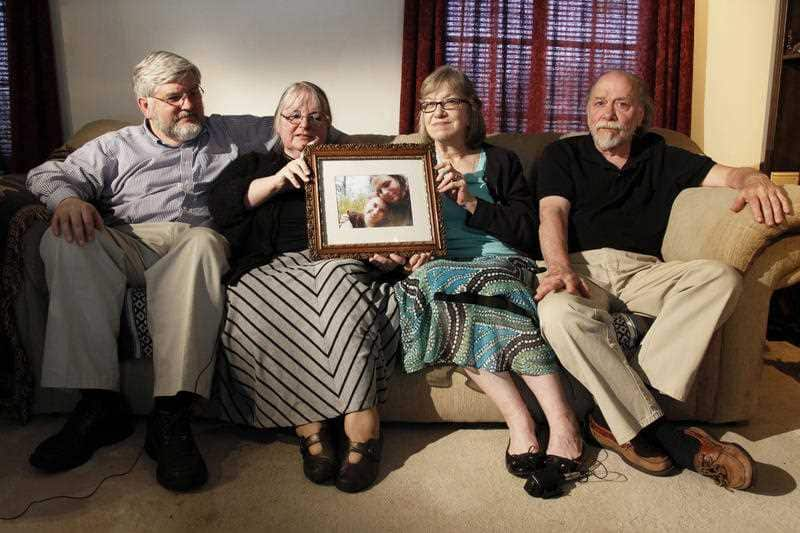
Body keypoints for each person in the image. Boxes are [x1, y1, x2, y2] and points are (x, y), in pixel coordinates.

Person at [25, 50, 281, 492]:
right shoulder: (114, 146)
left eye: (194, 93)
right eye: (174, 97)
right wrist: (67, 200)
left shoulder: (232, 131)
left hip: (193, 243)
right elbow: (47, 173)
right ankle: (98, 406)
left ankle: (171, 415)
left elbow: (302, 126)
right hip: (127, 239)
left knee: (201, 243)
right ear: (145, 104)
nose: (189, 105)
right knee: (62, 237)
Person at [535, 70, 791, 490]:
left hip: (645, 272)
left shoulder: (663, 155)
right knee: (558, 313)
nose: (608, 114)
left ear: (641, 114)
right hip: (582, 268)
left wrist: (757, 179)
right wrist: (559, 267)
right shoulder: (562, 156)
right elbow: (553, 213)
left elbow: (731, 176)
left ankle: (610, 417)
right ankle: (664, 433)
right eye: (599, 103)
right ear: (586, 113)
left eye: (622, 104)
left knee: (721, 278)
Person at [207, 81, 421, 493]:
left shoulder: (352, 163)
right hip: (268, 267)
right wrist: (278, 180)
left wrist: (386, 252)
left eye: (316, 116)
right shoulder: (254, 164)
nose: (304, 124)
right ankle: (311, 427)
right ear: (277, 122)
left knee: (339, 283)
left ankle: (363, 424)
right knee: (250, 300)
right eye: (293, 115)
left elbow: (387, 223)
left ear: (329, 124)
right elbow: (223, 206)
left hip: (336, 262)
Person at [394, 65, 583, 478]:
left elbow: (525, 232)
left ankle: (562, 422)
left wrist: (471, 202)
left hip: (500, 259)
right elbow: (391, 226)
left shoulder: (498, 161)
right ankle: (525, 422)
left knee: (487, 284)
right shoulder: (406, 162)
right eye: (429, 104)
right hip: (443, 267)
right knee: (434, 285)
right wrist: (412, 252)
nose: (438, 111)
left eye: (450, 102)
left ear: (471, 111)